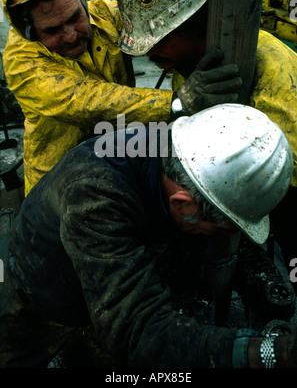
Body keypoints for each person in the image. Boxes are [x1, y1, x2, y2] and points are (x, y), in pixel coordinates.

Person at [0, 103, 296, 369]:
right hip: (46, 288)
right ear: (184, 205)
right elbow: (136, 333)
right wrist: (267, 353)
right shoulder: (94, 197)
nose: (221, 236)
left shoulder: (180, 148)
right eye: (220, 230)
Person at [0, 0, 242, 196]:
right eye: (52, 30)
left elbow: (165, 23)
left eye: (74, 17)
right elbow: (85, 101)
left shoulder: (106, 15)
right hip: (56, 183)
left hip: (115, 156)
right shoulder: (21, 60)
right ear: (28, 31)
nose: (70, 35)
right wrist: (178, 103)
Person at [115, 0, 297, 280]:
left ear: (196, 20)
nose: (149, 53)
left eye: (159, 39)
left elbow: (274, 179)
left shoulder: (269, 72)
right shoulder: (192, 67)